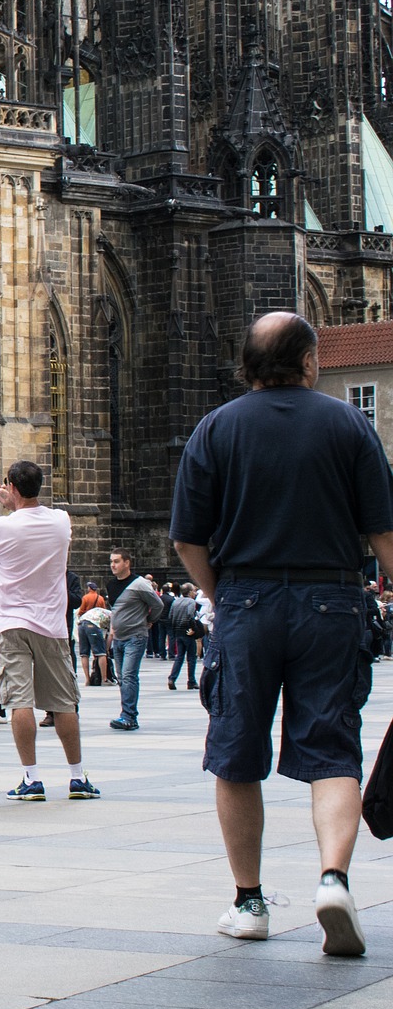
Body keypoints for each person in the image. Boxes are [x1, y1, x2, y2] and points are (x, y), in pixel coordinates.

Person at [170, 311, 391, 956]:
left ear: (248, 366)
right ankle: (333, 879)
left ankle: (249, 902)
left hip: (245, 597)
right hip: (332, 598)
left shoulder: (215, 429)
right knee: (331, 747)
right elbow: (382, 533)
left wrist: (222, 596)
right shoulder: (350, 425)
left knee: (236, 751)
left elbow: (187, 539)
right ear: (310, 363)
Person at [0, 462, 97, 800]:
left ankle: (31, 778)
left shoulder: (0, 527)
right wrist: (14, 502)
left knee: (20, 702)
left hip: (11, 624)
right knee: (64, 703)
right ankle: (76, 777)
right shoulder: (60, 521)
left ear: (9, 486)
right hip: (52, 625)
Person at [105, 549, 163, 731]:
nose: (113, 565)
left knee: (129, 676)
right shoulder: (111, 585)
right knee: (122, 677)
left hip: (135, 636)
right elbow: (116, 611)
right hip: (119, 637)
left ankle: (129, 717)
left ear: (127, 563)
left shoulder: (140, 584)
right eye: (111, 561)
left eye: (116, 561)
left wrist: (150, 621)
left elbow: (158, 604)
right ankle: (126, 713)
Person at [166, 584, 204, 690]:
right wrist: (192, 629)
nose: (195, 593)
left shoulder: (176, 601)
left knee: (179, 657)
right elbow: (190, 615)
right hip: (187, 631)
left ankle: (172, 678)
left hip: (178, 631)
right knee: (191, 657)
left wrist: (175, 630)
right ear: (190, 592)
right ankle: (191, 681)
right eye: (193, 590)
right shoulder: (191, 602)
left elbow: (171, 616)